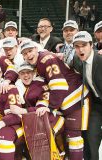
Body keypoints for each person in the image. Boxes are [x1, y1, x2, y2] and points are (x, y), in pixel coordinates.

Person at [21, 40, 89, 160]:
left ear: (37, 49)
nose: (28, 55)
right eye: (25, 53)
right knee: (68, 136)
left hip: (76, 97)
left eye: (30, 51)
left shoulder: (46, 60)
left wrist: (51, 107)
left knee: (74, 137)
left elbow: (59, 86)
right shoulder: (39, 61)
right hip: (66, 100)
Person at [72, 31, 102, 160]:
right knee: (90, 137)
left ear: (91, 45)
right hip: (95, 104)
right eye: (77, 46)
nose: (80, 49)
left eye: (83, 45)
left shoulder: (100, 60)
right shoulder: (77, 60)